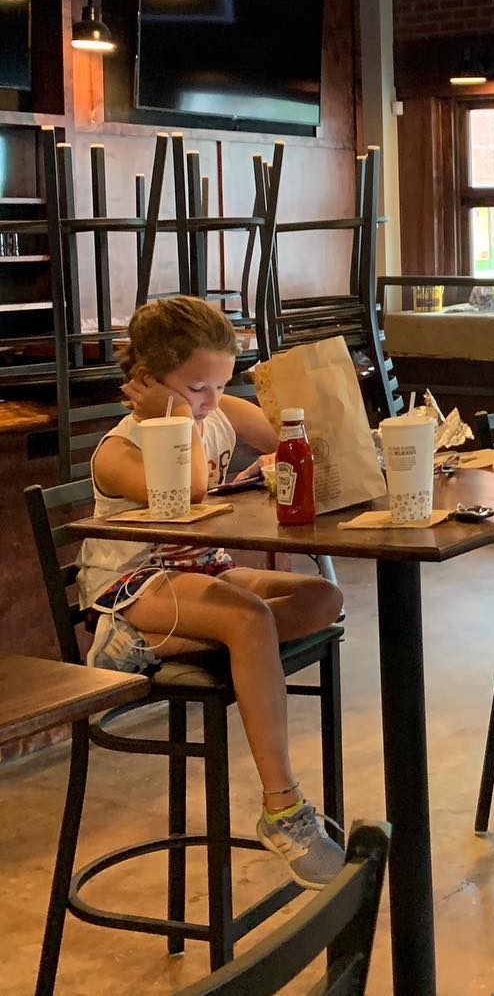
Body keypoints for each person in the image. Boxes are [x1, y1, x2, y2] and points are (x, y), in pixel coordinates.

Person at [81, 296, 347, 889]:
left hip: (204, 569)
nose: (210, 401)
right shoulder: (119, 450)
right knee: (250, 620)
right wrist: (176, 417)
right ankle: (282, 809)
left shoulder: (213, 410)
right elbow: (191, 487)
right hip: (133, 584)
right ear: (147, 380)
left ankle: (154, 643)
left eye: (221, 384)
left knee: (323, 599)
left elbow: (287, 435)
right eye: (197, 387)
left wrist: (227, 408)